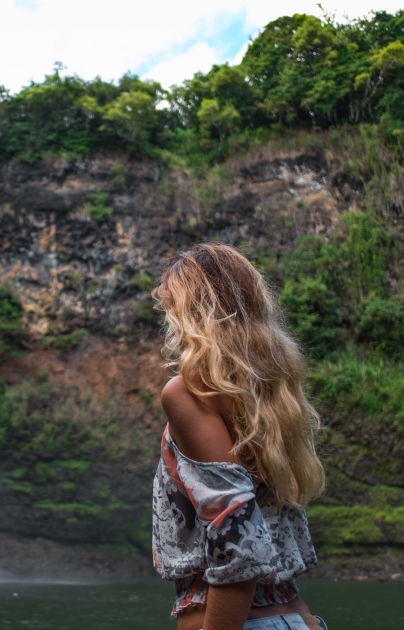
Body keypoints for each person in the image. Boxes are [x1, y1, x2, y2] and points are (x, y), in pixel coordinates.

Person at [151, 243, 328, 630]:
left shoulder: (188, 393)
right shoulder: (272, 398)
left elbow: (240, 546)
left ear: (189, 313)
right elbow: (266, 539)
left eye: (170, 310)